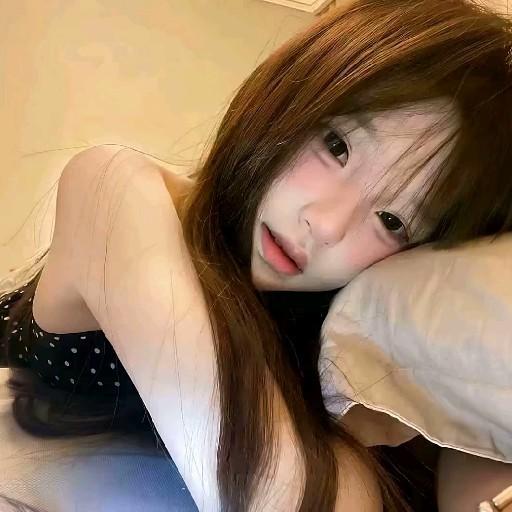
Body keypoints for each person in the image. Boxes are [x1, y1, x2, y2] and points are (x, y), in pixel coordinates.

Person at [1, 0, 512, 510]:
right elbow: (282, 493)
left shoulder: (345, 377)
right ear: (291, 93)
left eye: (393, 222)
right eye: (337, 146)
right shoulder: (115, 191)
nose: (325, 224)